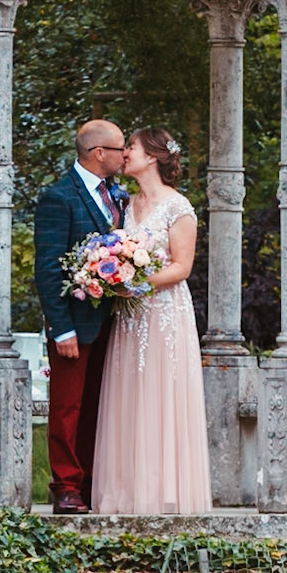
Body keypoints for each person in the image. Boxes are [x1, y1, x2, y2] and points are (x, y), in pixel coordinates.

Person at [90, 127, 214, 514]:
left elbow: (182, 267)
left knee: (163, 395)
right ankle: (125, 493)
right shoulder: (126, 206)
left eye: (133, 147)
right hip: (130, 317)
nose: (125, 153)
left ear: (154, 157)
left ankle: (165, 493)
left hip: (164, 314)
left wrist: (134, 282)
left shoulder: (179, 208)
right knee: (130, 394)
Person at [33, 119, 126, 514]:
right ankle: (65, 487)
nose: (126, 155)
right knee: (68, 407)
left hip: (116, 323)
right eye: (121, 148)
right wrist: (61, 328)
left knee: (98, 407)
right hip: (75, 323)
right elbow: (48, 269)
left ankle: (91, 483)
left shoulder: (118, 197)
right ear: (99, 153)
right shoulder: (58, 197)